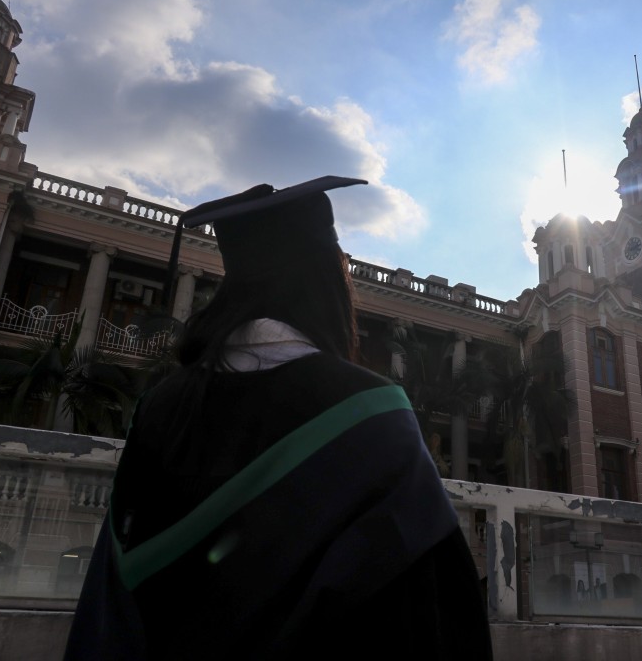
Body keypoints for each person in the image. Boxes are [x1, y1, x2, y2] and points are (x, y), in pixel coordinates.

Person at [65, 177, 493, 659]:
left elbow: (110, 601)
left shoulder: (162, 405)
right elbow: (426, 607)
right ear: (326, 280)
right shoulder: (371, 413)